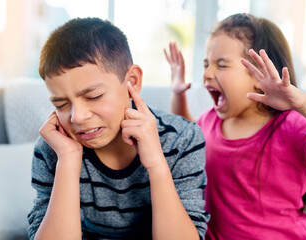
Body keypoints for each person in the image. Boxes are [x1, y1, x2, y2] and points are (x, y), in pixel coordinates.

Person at [164, 13, 306, 240]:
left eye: (221, 64)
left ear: (258, 75)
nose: (207, 74)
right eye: (206, 64)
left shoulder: (292, 127)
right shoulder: (210, 120)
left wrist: (301, 102)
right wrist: (177, 93)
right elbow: (186, 138)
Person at [27, 17, 209, 240]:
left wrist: (156, 163)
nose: (78, 117)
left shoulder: (182, 139)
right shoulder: (53, 147)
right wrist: (68, 159)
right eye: (61, 105)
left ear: (132, 81)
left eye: (93, 96)